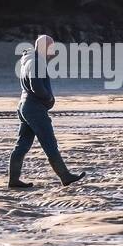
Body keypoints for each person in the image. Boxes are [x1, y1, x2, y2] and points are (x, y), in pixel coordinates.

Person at [8, 34, 85, 189]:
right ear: (44, 47)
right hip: (34, 108)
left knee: (22, 144)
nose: (53, 51)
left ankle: (14, 180)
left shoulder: (28, 60)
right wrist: (49, 98)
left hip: (24, 106)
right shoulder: (37, 62)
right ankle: (65, 176)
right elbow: (36, 86)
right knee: (49, 143)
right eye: (51, 47)